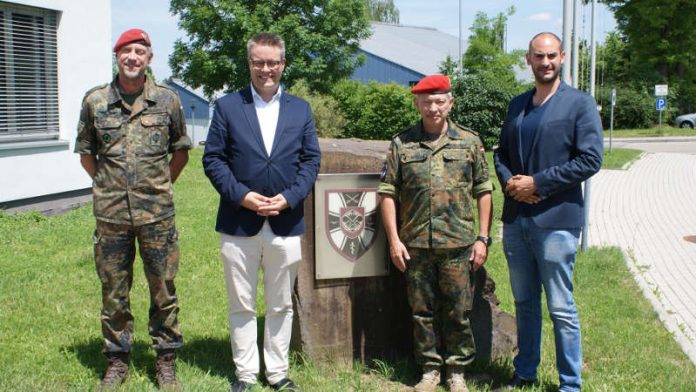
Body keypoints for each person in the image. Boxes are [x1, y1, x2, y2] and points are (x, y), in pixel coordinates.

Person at [202, 32, 321, 392]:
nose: (265, 69)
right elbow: (213, 159)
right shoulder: (227, 107)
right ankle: (245, 373)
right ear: (249, 63)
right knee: (241, 303)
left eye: (272, 62)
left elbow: (311, 160)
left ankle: (277, 372)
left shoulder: (301, 109)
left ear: (283, 64)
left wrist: (289, 197)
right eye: (258, 62)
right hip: (240, 222)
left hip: (286, 221)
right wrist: (243, 196)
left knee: (281, 304)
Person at [74, 28, 191, 390]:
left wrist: (157, 187)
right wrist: (109, 187)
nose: (133, 58)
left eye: (140, 51)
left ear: (149, 58)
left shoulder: (168, 101)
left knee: (163, 288)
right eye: (126, 51)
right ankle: (116, 360)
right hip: (111, 216)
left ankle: (166, 360)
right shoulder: (95, 101)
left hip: (157, 215)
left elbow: (181, 152)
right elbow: (87, 155)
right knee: (113, 290)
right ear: (117, 56)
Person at [493, 32, 603, 392]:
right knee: (525, 303)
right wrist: (512, 184)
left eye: (552, 56)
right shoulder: (517, 105)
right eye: (539, 56)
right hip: (516, 220)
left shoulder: (579, 104)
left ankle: (570, 384)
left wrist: (538, 183)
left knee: (560, 307)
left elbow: (590, 159)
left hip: (556, 222)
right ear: (528, 59)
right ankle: (525, 372)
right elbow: (500, 154)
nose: (546, 62)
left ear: (563, 57)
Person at [378, 74, 494, 392]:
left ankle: (456, 371)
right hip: (415, 244)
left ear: (450, 102)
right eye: (427, 101)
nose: (433, 108)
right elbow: (387, 192)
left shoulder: (469, 141)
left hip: (458, 244)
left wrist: (483, 238)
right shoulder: (401, 143)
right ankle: (430, 369)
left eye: (439, 101)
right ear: (417, 103)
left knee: (459, 311)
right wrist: (393, 240)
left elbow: (484, 191)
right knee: (421, 312)